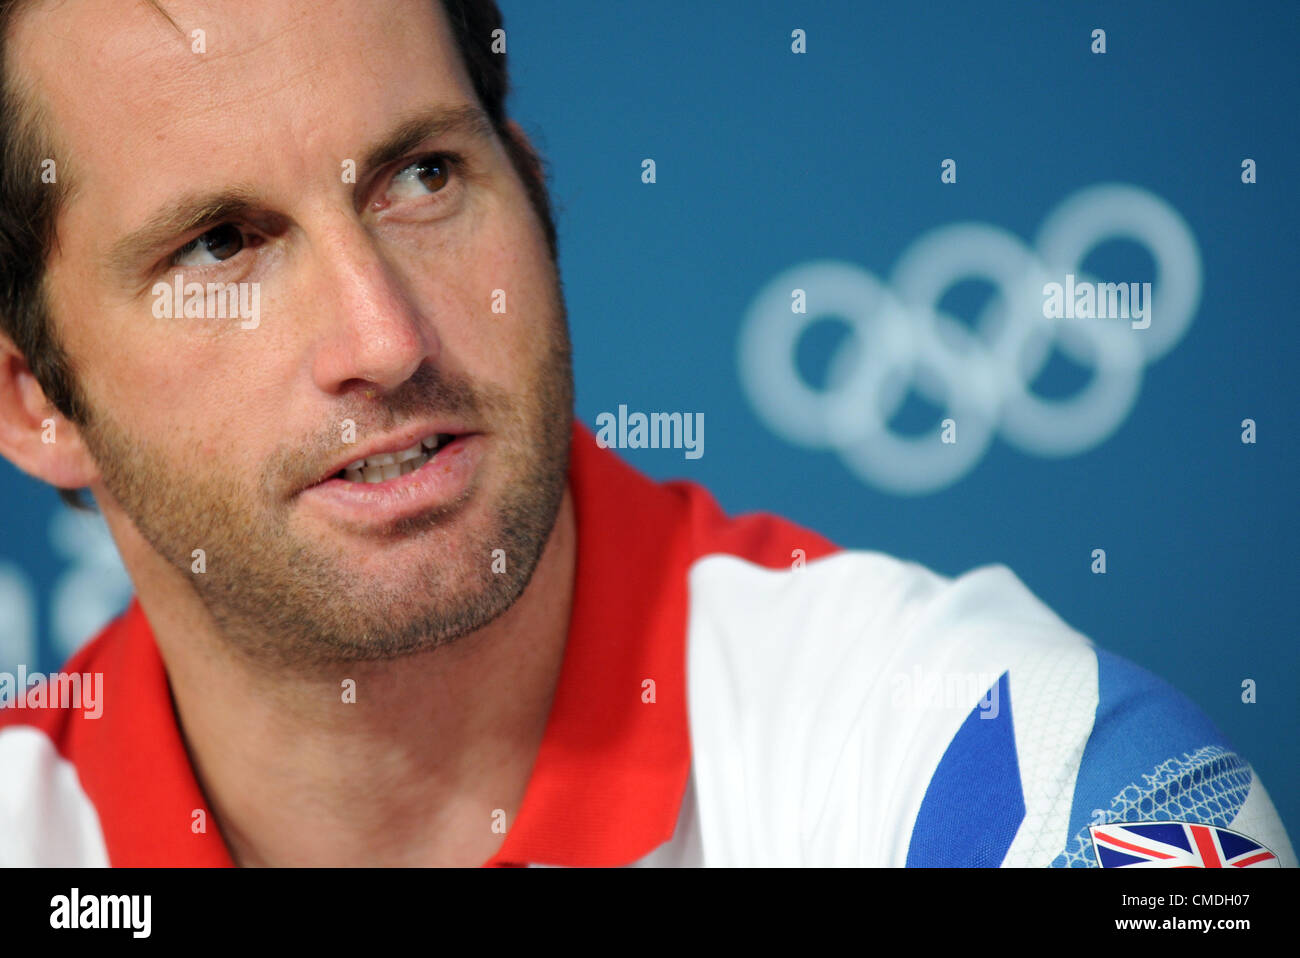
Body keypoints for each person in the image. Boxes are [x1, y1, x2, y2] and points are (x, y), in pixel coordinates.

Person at [0, 0, 1291, 868]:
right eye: (223, 245)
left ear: (532, 180)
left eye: (422, 178)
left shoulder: (1000, 764)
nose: (384, 339)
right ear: (32, 400)